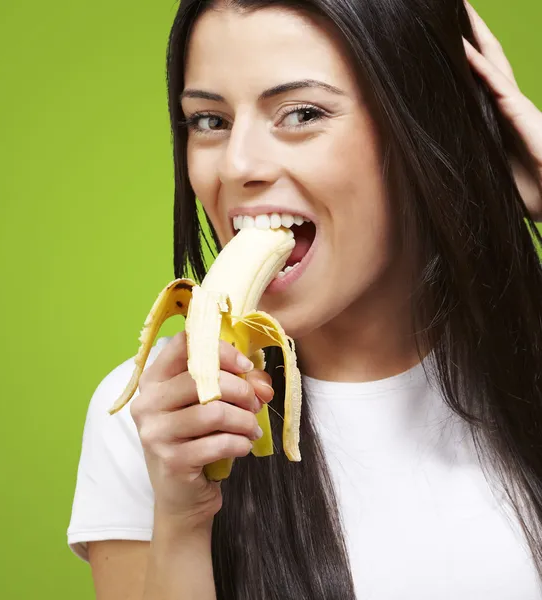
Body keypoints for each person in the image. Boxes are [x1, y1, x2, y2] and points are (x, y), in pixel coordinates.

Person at [67, 1, 542, 598]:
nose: (237, 166)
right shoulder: (155, 420)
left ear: (422, 128)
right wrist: (183, 519)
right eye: (208, 121)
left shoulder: (528, 371)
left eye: (301, 113)